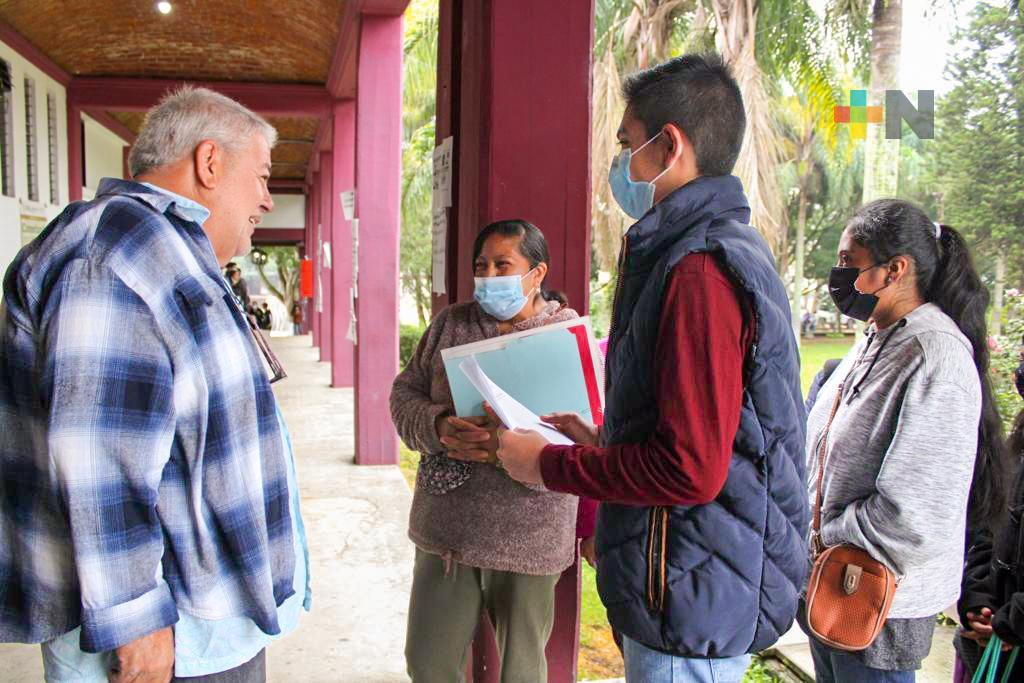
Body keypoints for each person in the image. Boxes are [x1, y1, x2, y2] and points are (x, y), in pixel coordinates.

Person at [495, 54, 808, 682]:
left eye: (627, 146)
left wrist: (549, 464)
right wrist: (606, 440)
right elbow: (707, 428)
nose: (621, 167)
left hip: (689, 595)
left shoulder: (699, 271)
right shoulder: (711, 249)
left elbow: (690, 469)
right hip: (694, 576)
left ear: (670, 146)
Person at [0, 86, 311, 683]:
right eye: (263, 177)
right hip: (168, 634)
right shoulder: (116, 251)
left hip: (202, 617)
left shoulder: (167, 250)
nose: (268, 201)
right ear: (210, 162)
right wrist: (137, 625)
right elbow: (98, 457)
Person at [800, 200, 1005, 682]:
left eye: (850, 261)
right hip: (831, 584)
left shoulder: (935, 356)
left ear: (895, 269)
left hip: (876, 604)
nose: (839, 274)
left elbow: (912, 515)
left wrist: (822, 538)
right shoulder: (875, 339)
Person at [390, 219, 597, 683]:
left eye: (503, 265)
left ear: (537, 273)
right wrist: (439, 425)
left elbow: (591, 435)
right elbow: (404, 395)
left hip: (531, 533)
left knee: (523, 671)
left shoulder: (566, 336)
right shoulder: (450, 324)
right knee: (427, 663)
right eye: (481, 265)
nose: (488, 275)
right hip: (447, 530)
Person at [955, 335, 1024, 680]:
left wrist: (1013, 622)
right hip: (985, 640)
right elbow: (988, 526)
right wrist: (976, 600)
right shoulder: (1016, 445)